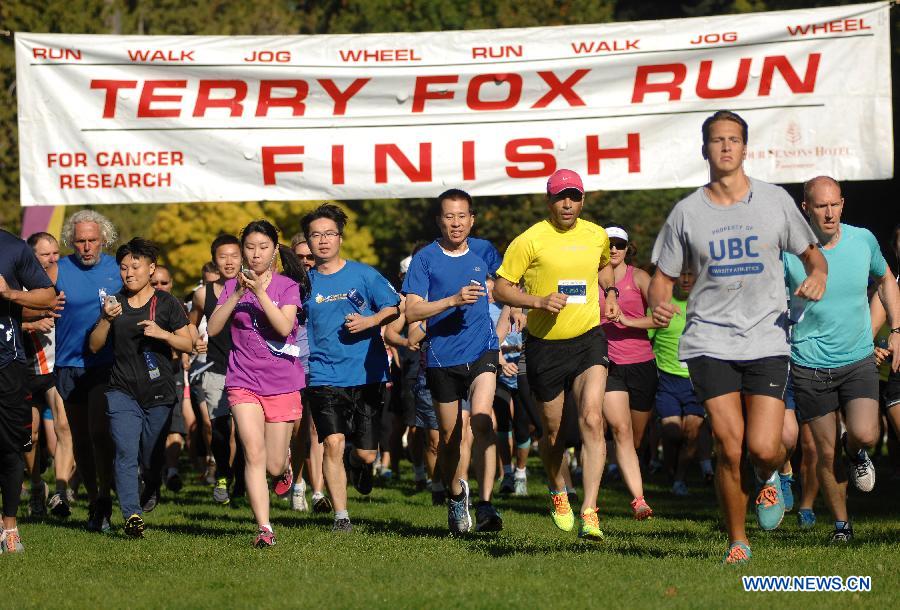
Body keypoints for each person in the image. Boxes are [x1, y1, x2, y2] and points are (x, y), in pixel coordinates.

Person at [649, 110, 827, 564]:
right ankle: (738, 540)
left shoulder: (775, 201)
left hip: (767, 337)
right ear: (704, 149)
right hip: (709, 341)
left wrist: (818, 275)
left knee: (764, 447)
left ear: (745, 148)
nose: (725, 146)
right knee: (729, 446)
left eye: (733, 139)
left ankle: (769, 476)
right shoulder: (687, 212)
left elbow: (813, 255)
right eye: (717, 140)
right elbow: (662, 277)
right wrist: (659, 303)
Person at [493, 168, 620, 541]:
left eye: (574, 197)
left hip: (588, 338)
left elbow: (604, 268)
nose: (568, 204)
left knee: (593, 419)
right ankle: (558, 489)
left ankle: (590, 510)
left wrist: (610, 293)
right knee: (552, 434)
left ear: (583, 200)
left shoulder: (596, 235)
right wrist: (537, 301)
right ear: (549, 201)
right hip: (545, 345)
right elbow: (501, 288)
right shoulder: (529, 239)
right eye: (561, 197)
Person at [784, 176, 900, 543]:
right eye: (821, 206)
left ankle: (857, 452)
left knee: (866, 433)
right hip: (809, 362)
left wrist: (897, 328)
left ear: (843, 204)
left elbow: (887, 280)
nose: (829, 213)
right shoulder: (788, 251)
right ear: (806, 208)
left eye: (835, 204)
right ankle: (841, 525)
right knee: (824, 449)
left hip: (857, 357)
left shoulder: (863, 240)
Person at [404, 189, 503, 533]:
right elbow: (412, 311)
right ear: (439, 221)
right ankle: (457, 495)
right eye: (449, 216)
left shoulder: (484, 250)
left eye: (462, 216)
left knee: (482, 420)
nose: (456, 223)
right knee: (449, 439)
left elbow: (508, 283)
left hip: (482, 348)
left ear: (472, 219)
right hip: (442, 356)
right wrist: (452, 301)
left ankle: (487, 506)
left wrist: (516, 306)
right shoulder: (425, 259)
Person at [207, 220, 308, 547]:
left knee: (273, 464)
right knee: (252, 451)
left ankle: (284, 468)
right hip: (242, 379)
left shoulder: (287, 286)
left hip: (282, 382)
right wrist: (238, 292)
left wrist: (260, 293)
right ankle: (265, 528)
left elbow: (283, 327)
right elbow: (213, 329)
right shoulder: (231, 286)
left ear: (274, 250)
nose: (255, 254)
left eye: (263, 247)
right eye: (249, 248)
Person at [302, 204, 400, 533]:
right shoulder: (303, 284)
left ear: (340, 238)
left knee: (367, 454)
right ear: (308, 241)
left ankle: (359, 463)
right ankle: (341, 516)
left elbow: (394, 306)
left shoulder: (364, 274)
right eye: (316, 235)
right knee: (332, 443)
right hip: (323, 375)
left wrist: (370, 321)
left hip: (367, 373)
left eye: (329, 233)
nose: (323, 240)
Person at [88, 238, 192, 538]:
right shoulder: (114, 303)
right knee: (124, 450)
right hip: (121, 389)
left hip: (159, 391)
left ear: (151, 269)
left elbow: (189, 344)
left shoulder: (167, 303)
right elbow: (94, 346)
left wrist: (163, 334)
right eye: (123, 268)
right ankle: (132, 514)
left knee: (150, 457)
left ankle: (153, 482)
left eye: (135, 266)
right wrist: (106, 320)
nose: (129, 273)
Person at [54, 210, 123, 532]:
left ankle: (106, 494)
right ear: (71, 241)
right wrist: (38, 315)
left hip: (105, 362)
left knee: (99, 432)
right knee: (79, 438)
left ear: (103, 239)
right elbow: (38, 299)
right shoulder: (58, 269)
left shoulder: (117, 268)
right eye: (80, 241)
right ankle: (95, 499)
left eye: (92, 240)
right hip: (69, 363)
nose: (86, 247)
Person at [0, 228, 56, 553]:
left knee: (10, 447)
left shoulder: (12, 247)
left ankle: (10, 527)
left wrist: (10, 294)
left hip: (7, 361)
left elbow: (48, 296)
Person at [597, 226, 655, 520]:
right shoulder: (591, 280)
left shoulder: (640, 277)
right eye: (609, 244)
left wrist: (628, 321)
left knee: (635, 438)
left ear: (627, 248)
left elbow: (661, 318)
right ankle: (639, 500)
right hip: (609, 364)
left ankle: (627, 473)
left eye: (619, 245)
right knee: (620, 429)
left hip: (642, 363)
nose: (614, 249)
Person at [21, 232, 75, 517]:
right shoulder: (17, 284)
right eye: (45, 254)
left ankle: (61, 492)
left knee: (64, 426)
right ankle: (35, 485)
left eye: (56, 253)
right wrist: (30, 324)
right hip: (27, 368)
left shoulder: (66, 280)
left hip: (58, 366)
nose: (53, 259)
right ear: (31, 256)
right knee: (29, 434)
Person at [190, 235, 242, 504]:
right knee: (219, 428)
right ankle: (223, 474)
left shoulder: (253, 288)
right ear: (214, 260)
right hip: (216, 368)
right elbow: (191, 322)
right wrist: (194, 340)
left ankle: (242, 478)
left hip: (248, 371)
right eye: (223, 257)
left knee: (245, 431)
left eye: (234, 255)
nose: (229, 262)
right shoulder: (204, 294)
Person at [647, 268, 707, 496]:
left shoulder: (706, 305)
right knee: (672, 433)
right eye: (682, 274)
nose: (686, 279)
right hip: (667, 379)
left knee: (692, 432)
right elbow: (646, 339)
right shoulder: (661, 304)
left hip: (696, 381)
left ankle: (679, 479)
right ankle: (670, 471)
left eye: (690, 274)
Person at [287, 234, 331, 514]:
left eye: (310, 256)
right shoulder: (281, 284)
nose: (305, 261)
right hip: (290, 363)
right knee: (298, 431)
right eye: (299, 256)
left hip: (320, 362)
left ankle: (317, 492)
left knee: (317, 430)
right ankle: (298, 483)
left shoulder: (327, 282)